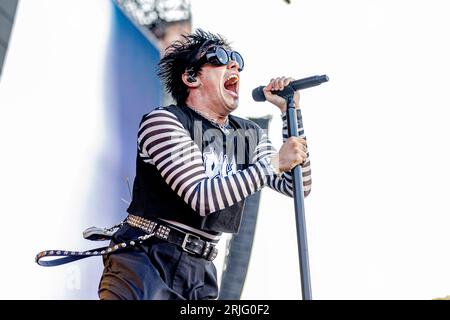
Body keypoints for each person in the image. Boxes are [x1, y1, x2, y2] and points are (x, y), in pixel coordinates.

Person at [97, 29, 312, 300]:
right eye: (220, 57)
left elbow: (298, 186)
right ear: (190, 77)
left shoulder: (248, 134)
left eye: (236, 59)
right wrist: (272, 163)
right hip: (147, 260)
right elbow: (201, 197)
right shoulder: (164, 122)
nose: (234, 64)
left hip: (201, 271)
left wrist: (290, 112)